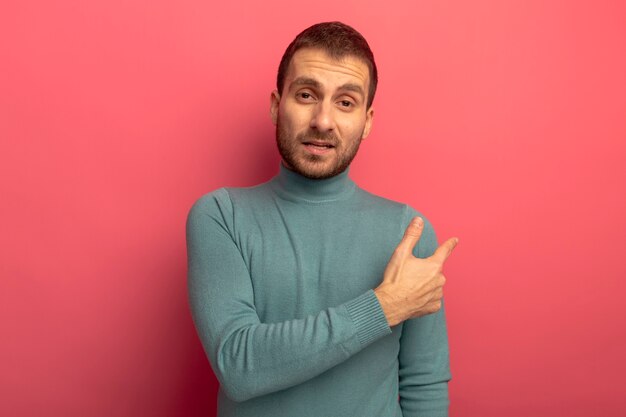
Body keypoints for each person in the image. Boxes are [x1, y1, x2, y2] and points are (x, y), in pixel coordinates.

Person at [187, 21, 459, 417]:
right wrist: (383, 307)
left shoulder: (409, 233)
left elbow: (424, 383)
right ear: (276, 105)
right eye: (306, 95)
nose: (323, 121)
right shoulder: (221, 216)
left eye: (345, 102)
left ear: (367, 121)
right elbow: (238, 365)